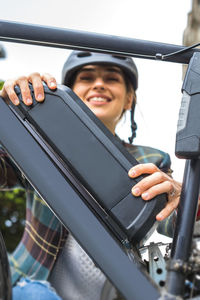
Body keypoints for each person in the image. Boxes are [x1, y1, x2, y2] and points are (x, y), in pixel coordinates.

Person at [0, 51, 181, 300]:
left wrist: (180, 196)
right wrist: (6, 115)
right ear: (69, 93)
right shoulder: (36, 143)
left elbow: (168, 224)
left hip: (115, 290)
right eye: (86, 77)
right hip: (34, 286)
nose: (99, 84)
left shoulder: (151, 160)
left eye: (111, 79)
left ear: (129, 99)